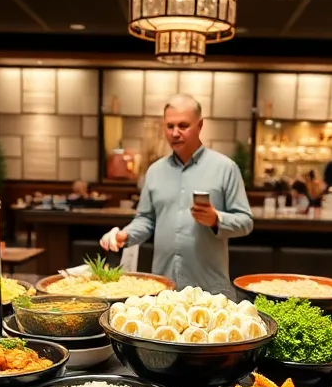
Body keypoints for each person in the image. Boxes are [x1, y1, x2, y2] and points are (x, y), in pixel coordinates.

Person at [98, 94, 253, 294]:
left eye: (183, 125)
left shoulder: (225, 168)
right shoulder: (155, 171)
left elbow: (246, 222)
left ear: (200, 126)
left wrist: (216, 219)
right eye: (170, 126)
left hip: (209, 289)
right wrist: (125, 235)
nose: (175, 133)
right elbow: (146, 220)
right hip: (164, 288)